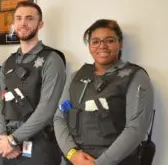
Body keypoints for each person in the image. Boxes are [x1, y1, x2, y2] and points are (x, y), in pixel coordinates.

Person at [54, 19, 154, 165]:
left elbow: (136, 128)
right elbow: (59, 118)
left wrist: (98, 164)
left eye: (110, 40)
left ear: (121, 43)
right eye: (95, 41)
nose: (102, 46)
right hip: (77, 159)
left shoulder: (136, 76)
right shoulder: (76, 76)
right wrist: (72, 154)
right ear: (89, 46)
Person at [0, 1, 66, 165]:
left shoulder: (52, 59)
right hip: (7, 147)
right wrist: (2, 137)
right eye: (18, 18)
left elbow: (47, 108)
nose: (23, 23)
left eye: (29, 18)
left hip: (40, 144)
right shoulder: (8, 62)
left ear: (40, 24)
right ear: (13, 23)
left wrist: (13, 140)